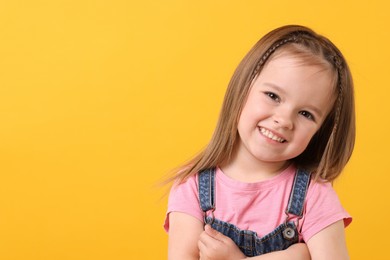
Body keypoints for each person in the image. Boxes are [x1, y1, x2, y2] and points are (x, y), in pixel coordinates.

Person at [163, 25, 355, 259]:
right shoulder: (191, 186)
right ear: (243, 87)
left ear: (320, 130)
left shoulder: (313, 196)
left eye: (306, 114)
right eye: (273, 96)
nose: (284, 120)